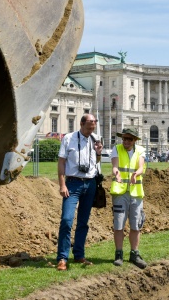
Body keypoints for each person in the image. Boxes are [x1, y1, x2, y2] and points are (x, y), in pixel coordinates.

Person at [56, 113, 103, 270]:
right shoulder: (69, 138)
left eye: (93, 126)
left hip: (89, 184)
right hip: (73, 184)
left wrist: (98, 153)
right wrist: (62, 185)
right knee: (67, 220)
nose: (91, 129)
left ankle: (79, 255)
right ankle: (62, 258)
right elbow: (62, 162)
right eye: (89, 126)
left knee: (83, 222)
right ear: (82, 124)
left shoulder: (95, 139)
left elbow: (96, 163)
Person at [110, 127, 148, 269]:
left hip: (136, 193)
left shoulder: (140, 151)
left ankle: (134, 254)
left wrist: (136, 174)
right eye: (124, 138)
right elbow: (115, 166)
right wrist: (116, 173)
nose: (126, 141)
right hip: (120, 193)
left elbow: (140, 167)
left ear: (134, 140)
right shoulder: (117, 149)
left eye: (129, 139)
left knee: (136, 225)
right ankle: (118, 254)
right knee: (118, 225)